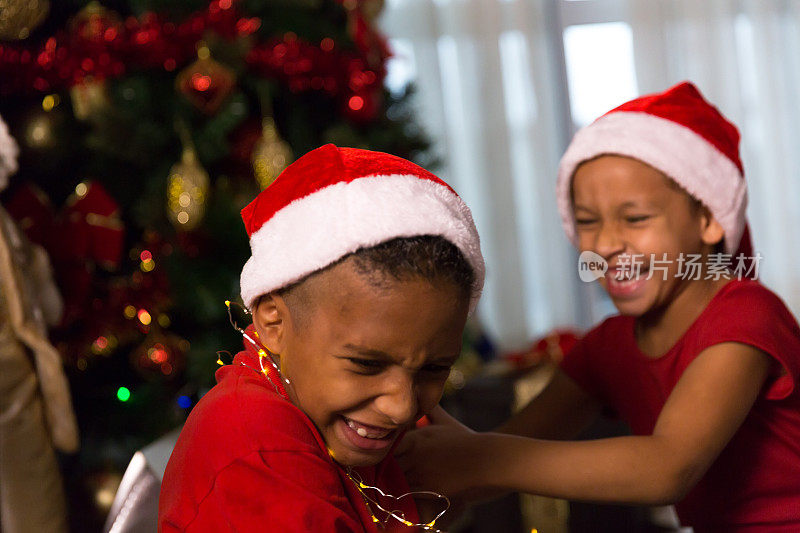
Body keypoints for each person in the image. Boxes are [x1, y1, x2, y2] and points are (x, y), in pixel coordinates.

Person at [397, 82, 800, 531]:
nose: (605, 244)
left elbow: (667, 468)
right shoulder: (608, 348)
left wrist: (478, 457)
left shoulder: (745, 316)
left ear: (708, 220)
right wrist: (440, 459)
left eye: (636, 219)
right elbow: (507, 452)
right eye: (587, 222)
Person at [158, 144, 485, 532]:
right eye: (366, 364)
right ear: (274, 322)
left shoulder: (348, 414)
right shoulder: (257, 449)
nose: (401, 407)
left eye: (434, 369)